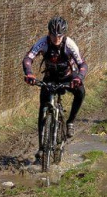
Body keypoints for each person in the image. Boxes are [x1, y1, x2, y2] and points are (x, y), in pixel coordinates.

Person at [22, 16, 88, 160]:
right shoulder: (43, 42)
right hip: (50, 77)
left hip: (68, 76)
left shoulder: (70, 44)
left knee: (81, 92)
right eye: (53, 35)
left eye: (59, 36)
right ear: (49, 33)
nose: (56, 38)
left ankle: (70, 121)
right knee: (43, 108)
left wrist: (78, 78)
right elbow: (28, 58)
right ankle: (41, 147)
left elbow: (82, 64)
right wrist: (29, 74)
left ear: (63, 35)